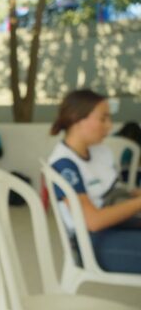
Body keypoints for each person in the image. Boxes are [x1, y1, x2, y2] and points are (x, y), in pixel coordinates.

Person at [48, 89, 141, 274]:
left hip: (114, 226)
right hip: (90, 242)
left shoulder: (100, 152)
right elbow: (93, 221)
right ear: (76, 118)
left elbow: (117, 192)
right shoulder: (64, 165)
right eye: (103, 119)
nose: (109, 126)